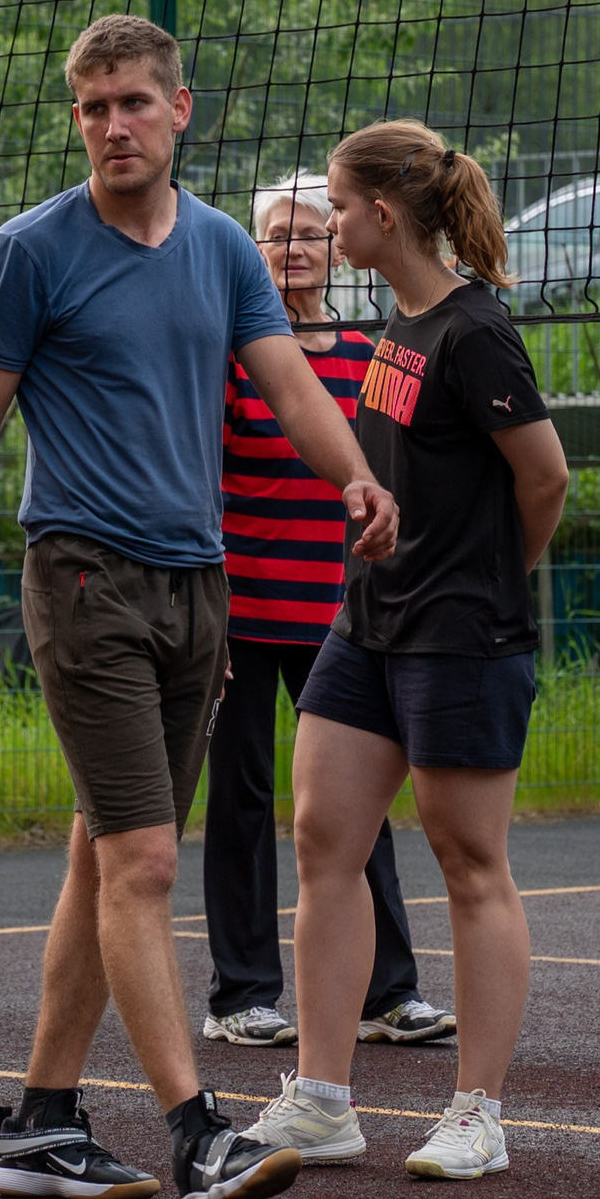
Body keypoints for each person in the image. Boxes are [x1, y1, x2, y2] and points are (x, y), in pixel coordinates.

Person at [0, 15, 401, 1199]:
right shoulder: (29, 251)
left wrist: (355, 475)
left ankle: (42, 1122)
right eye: (93, 108)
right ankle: (199, 1135)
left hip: (201, 582)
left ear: (178, 108)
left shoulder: (222, 247)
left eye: (134, 102)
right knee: (143, 860)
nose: (114, 125)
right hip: (84, 577)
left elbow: (287, 381)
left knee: (102, 850)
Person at [240, 121, 569, 1184]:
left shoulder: (475, 331)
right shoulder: (401, 320)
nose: (326, 224)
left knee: (469, 862)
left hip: (461, 633)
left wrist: (491, 578)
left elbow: (546, 477)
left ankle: (478, 1112)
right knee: (322, 838)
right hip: (368, 620)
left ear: (383, 214)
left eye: (337, 207)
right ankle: (322, 1099)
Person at [204, 172, 453, 1052]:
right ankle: (241, 994)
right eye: (276, 234)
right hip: (240, 611)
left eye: (309, 232)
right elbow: (202, 480)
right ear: (253, 249)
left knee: (358, 804)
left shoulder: (370, 352)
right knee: (240, 798)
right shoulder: (234, 355)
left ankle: (390, 992)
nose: (293, 248)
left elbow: (397, 471)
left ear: (335, 247)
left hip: (345, 616)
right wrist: (209, 604)